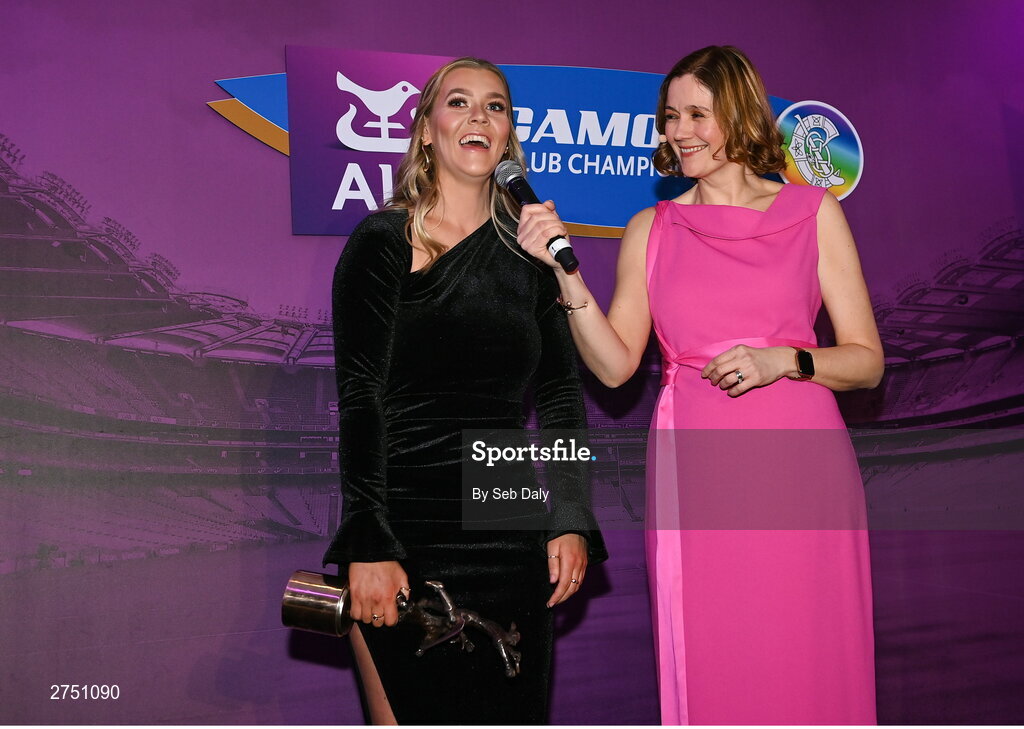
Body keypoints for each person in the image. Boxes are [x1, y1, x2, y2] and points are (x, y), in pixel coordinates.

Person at [518, 46, 881, 724]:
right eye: (669, 117)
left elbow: (866, 360)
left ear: (740, 115)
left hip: (805, 466)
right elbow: (615, 364)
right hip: (701, 465)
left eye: (696, 114)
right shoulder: (653, 229)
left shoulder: (813, 212)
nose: (678, 132)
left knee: (812, 647)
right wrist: (564, 276)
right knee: (719, 649)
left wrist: (789, 360)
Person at [322, 57, 606, 725]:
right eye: (458, 102)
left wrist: (570, 511)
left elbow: (562, 393)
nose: (479, 115)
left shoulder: (533, 256)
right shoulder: (383, 240)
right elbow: (360, 394)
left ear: (508, 137)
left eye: (496, 106)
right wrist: (369, 538)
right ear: (426, 131)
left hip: (505, 514)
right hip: (405, 516)